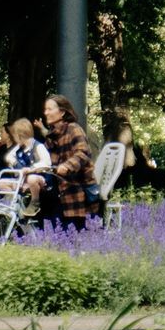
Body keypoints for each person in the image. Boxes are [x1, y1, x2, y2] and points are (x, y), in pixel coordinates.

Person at [39, 94, 96, 229]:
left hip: (75, 186)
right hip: (57, 187)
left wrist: (67, 165)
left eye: (49, 109)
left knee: (74, 234)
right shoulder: (51, 136)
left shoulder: (73, 128)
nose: (45, 113)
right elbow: (45, 160)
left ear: (63, 112)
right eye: (45, 109)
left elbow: (83, 153)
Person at [3, 117, 52, 215]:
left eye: (15, 136)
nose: (15, 139)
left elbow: (46, 163)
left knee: (31, 178)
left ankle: (35, 202)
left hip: (41, 179)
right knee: (3, 182)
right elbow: (9, 157)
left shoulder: (38, 146)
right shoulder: (19, 148)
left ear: (21, 135)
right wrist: (16, 164)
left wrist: (31, 169)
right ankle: (11, 203)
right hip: (23, 178)